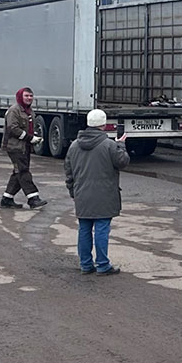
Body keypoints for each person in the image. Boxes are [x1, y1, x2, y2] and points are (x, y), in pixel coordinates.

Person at [64, 109, 130, 275]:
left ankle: (85, 264)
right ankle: (102, 264)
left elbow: (69, 171)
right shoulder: (109, 145)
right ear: (104, 124)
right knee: (101, 229)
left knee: (84, 229)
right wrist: (121, 145)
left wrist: (73, 191)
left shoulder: (74, 145)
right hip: (105, 194)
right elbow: (123, 162)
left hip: (82, 193)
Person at [0, 87, 45, 210]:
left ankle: (7, 199)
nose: (29, 98)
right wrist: (30, 138)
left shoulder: (29, 111)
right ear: (20, 97)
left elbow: (29, 127)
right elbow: (12, 129)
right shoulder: (14, 111)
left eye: (31, 96)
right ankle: (33, 199)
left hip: (24, 147)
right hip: (15, 147)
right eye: (26, 96)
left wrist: (34, 137)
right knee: (23, 171)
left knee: (18, 172)